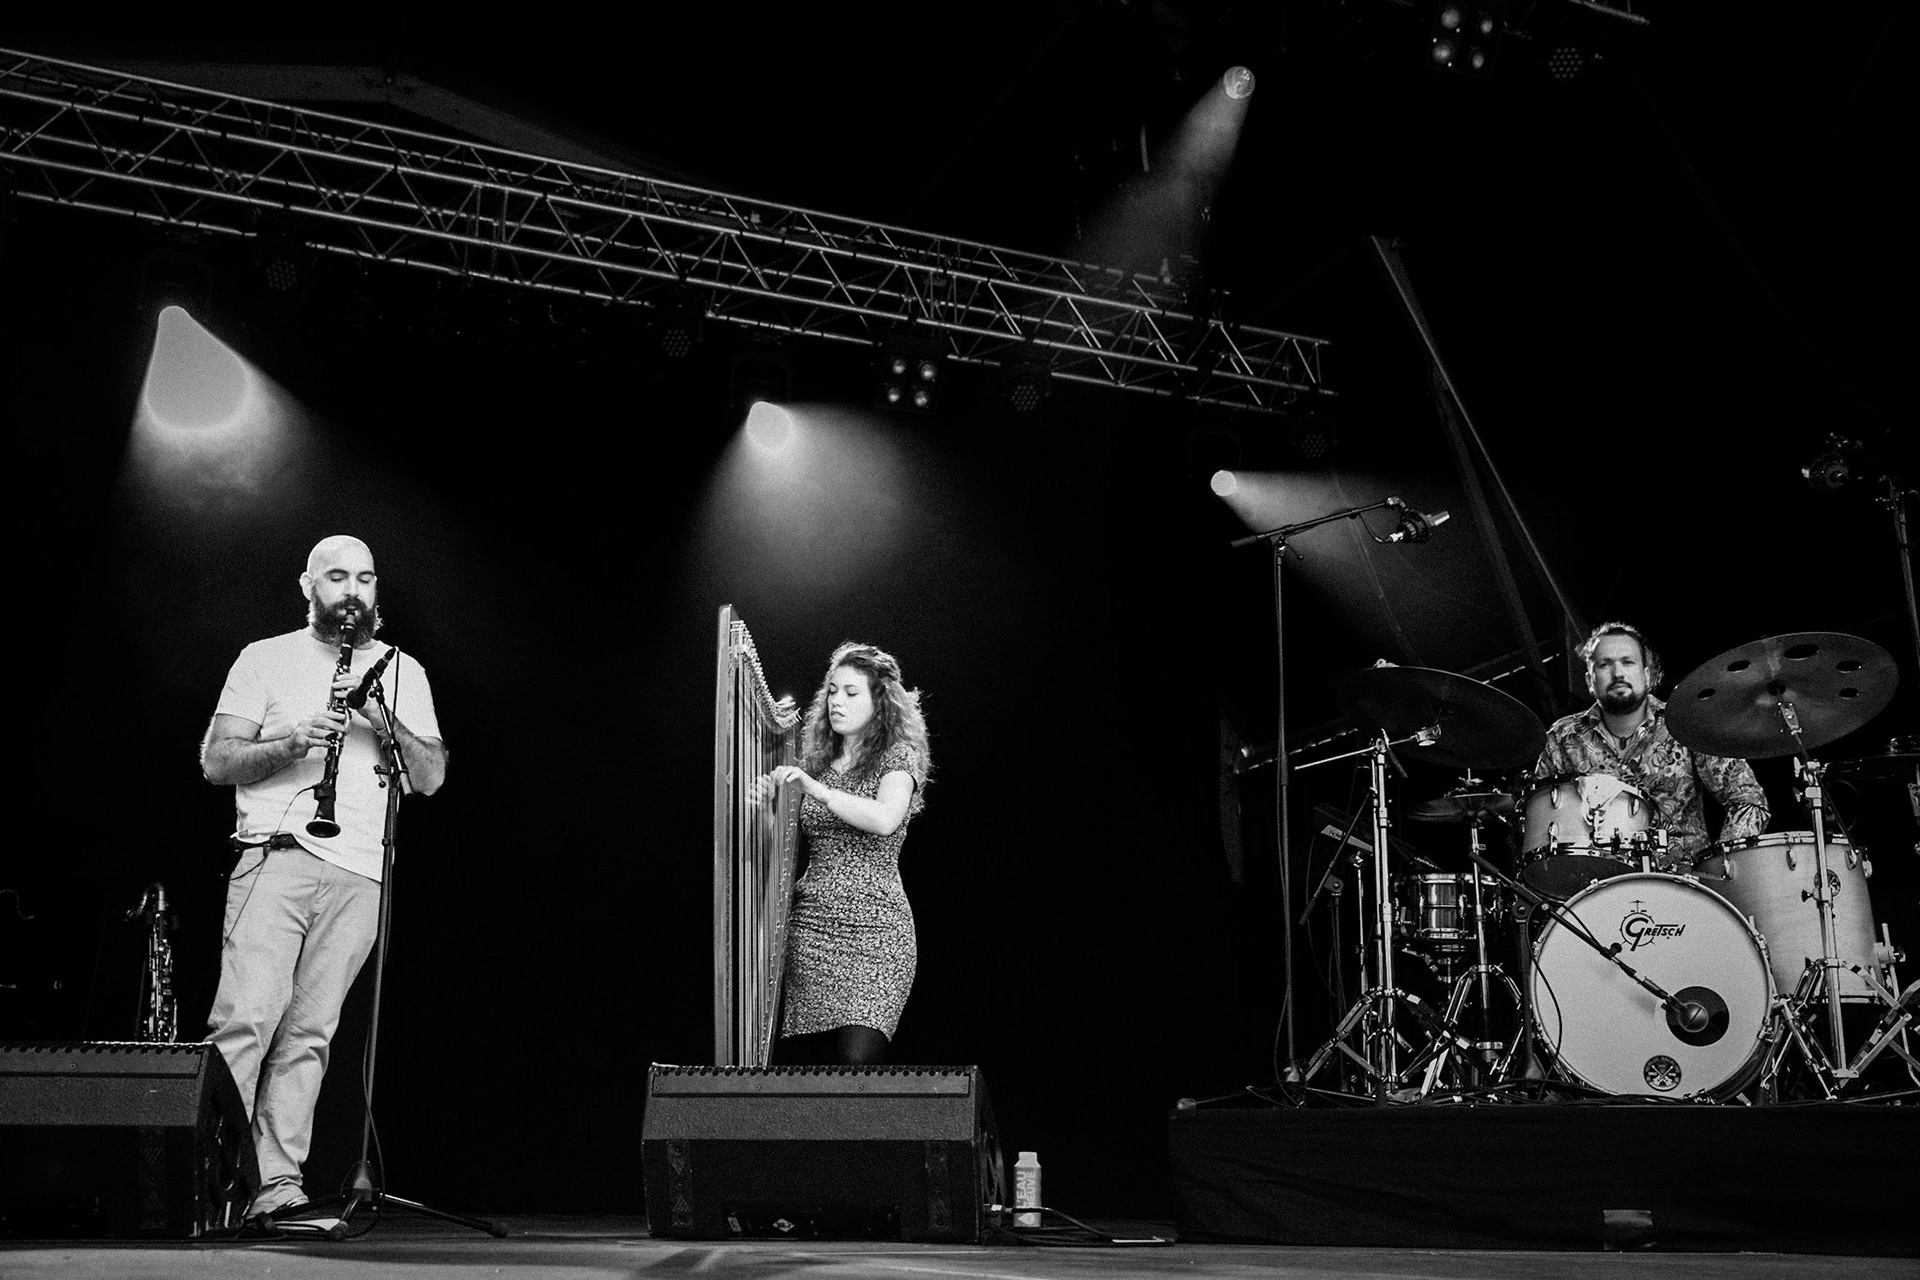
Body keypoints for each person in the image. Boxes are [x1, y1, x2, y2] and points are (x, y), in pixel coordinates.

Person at [199, 535, 447, 1228]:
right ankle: (205, 1181)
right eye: (337, 577)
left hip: (363, 871)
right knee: (246, 1020)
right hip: (276, 855)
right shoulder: (266, 657)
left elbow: (429, 776)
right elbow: (217, 762)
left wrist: (377, 715)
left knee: (310, 1034)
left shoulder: (402, 669)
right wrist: (290, 743)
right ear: (306, 585)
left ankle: (274, 1187)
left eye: (365, 578)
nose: (353, 591)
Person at [767, 642, 930, 1066]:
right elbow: (784, 845)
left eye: (851, 693)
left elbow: (883, 818)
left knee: (855, 1069)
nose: (837, 701)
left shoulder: (897, 757)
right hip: (811, 930)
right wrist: (758, 808)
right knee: (809, 1079)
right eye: (833, 691)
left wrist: (816, 790)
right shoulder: (817, 764)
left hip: (875, 931)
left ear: (881, 702)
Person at [1532, 620, 1768, 870]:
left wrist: (1722, 864)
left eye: (1628, 661)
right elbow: (1534, 819)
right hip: (1594, 891)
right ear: (1590, 680)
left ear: (1647, 674)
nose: (1618, 673)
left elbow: (1749, 800)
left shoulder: (1686, 723)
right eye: (1605, 664)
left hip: (1683, 888)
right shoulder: (1562, 737)